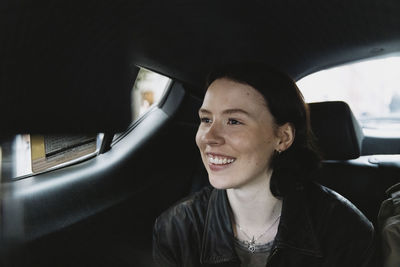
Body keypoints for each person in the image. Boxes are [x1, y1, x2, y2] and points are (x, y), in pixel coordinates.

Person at [152, 62, 376, 267]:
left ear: (283, 137)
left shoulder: (345, 229)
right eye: (206, 119)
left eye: (234, 121)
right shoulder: (176, 228)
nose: (209, 137)